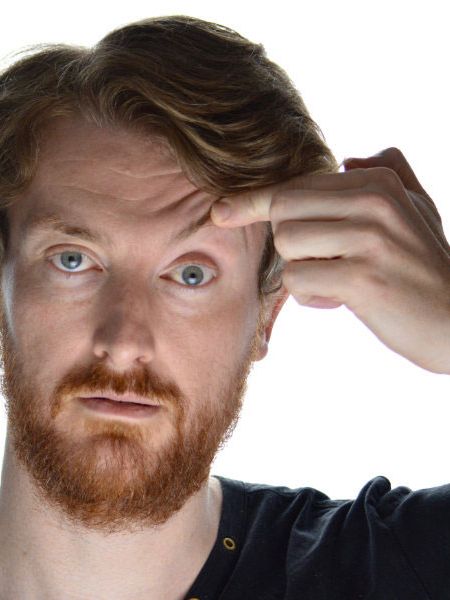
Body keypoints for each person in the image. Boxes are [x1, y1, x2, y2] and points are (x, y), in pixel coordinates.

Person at [0, 14, 448, 600]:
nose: (125, 342)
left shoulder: (393, 571)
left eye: (191, 274)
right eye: (72, 260)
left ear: (266, 316)